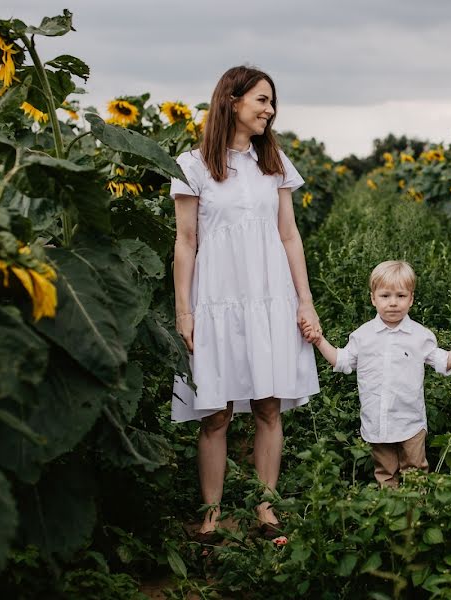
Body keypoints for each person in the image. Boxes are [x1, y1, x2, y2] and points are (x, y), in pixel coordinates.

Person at [170, 65, 321, 539]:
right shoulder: (192, 165)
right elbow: (186, 241)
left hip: (269, 296)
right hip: (216, 299)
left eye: (272, 102)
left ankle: (265, 510)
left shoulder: (272, 164)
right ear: (232, 101)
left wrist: (305, 301)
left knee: (268, 406)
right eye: (262, 100)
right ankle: (211, 518)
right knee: (215, 412)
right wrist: (183, 311)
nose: (270, 110)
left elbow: (289, 236)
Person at [306, 261, 451, 487]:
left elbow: (443, 362)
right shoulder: (363, 336)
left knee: (415, 475)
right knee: (385, 474)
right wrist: (318, 341)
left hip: (410, 422)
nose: (393, 303)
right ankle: (390, 516)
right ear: (373, 298)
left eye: (401, 296)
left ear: (411, 299)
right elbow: (341, 361)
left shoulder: (419, 336)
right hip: (377, 422)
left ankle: (414, 518)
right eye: (385, 296)